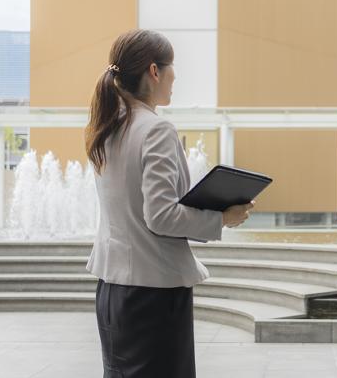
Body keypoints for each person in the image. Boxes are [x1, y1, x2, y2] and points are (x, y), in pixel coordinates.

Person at [85, 29, 252, 378]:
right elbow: (160, 216)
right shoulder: (155, 130)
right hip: (153, 293)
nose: (175, 76)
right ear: (154, 71)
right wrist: (222, 218)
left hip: (113, 290)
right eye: (171, 66)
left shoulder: (107, 128)